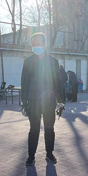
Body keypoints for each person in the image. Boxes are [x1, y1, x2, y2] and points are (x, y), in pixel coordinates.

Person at [21, 32, 64, 166]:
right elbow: (24, 83)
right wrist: (24, 103)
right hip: (33, 103)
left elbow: (58, 83)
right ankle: (31, 156)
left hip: (49, 102)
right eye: (33, 44)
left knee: (49, 129)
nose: (36, 46)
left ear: (45, 45)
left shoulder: (53, 62)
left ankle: (49, 154)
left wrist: (61, 101)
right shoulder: (28, 61)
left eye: (38, 43)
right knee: (33, 130)